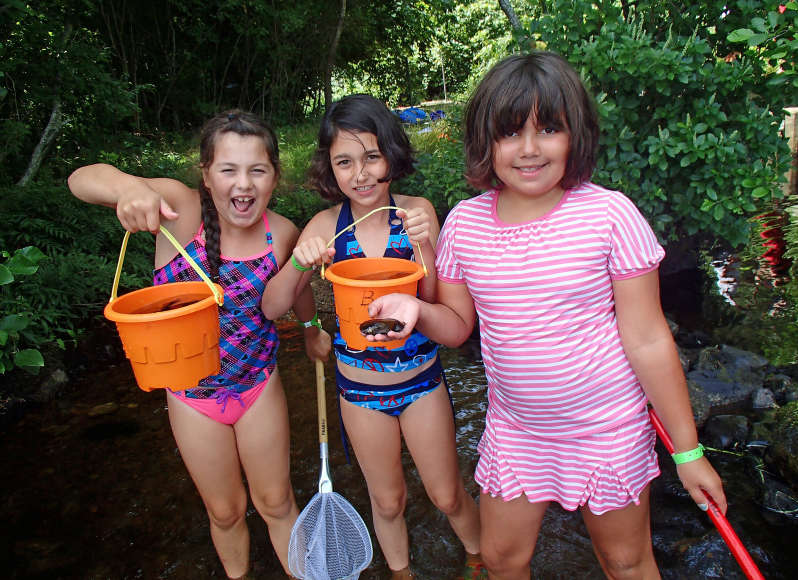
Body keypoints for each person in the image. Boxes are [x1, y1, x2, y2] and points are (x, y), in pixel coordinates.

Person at [364, 53, 728, 579]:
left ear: (574, 134)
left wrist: (688, 451)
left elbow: (648, 339)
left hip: (609, 430)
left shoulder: (609, 214)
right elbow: (459, 327)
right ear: (485, 142)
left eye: (549, 129)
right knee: (502, 559)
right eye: (511, 133)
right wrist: (417, 309)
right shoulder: (465, 225)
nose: (529, 149)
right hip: (518, 431)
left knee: (625, 562)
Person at [67, 110, 331, 580]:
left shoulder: (283, 231)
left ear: (274, 176)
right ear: (206, 176)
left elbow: (296, 286)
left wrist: (311, 328)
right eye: (228, 169)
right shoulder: (179, 209)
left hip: (257, 386)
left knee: (276, 501)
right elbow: (82, 179)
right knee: (226, 512)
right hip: (191, 398)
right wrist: (129, 189)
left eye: (258, 169)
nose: (242, 183)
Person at [261, 94, 485, 579]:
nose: (360, 174)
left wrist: (426, 239)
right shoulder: (325, 226)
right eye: (345, 161)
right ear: (330, 168)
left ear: (391, 156)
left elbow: (436, 301)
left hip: (422, 382)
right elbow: (272, 307)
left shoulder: (417, 211)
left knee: (445, 493)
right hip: (359, 392)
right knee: (386, 502)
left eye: (371, 157)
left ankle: (478, 557)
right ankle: (401, 573)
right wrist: (301, 261)